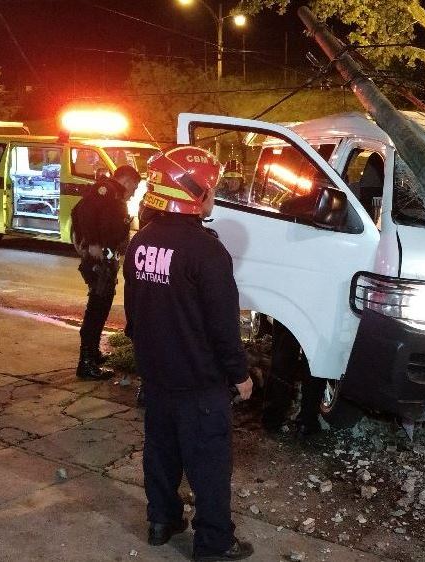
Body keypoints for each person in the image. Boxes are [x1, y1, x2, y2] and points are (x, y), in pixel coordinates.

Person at [123, 145, 254, 561]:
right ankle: (214, 543)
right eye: (212, 188)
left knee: (160, 452)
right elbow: (223, 327)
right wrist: (240, 374)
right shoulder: (206, 251)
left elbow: (133, 313)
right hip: (199, 382)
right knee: (209, 465)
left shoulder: (141, 242)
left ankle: (162, 522)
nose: (214, 195)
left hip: (157, 375)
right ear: (195, 192)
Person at [71, 165, 141, 381]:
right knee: (96, 310)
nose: (134, 193)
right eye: (135, 187)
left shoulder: (113, 194)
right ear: (127, 181)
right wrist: (91, 242)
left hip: (106, 261)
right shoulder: (105, 190)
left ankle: (92, 354)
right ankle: (86, 364)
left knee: (100, 307)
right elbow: (81, 212)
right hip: (98, 262)